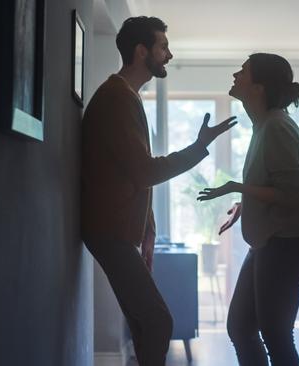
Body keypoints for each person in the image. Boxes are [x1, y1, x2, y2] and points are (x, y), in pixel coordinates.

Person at [81, 16, 237, 366]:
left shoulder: (125, 96)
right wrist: (199, 147)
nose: (169, 54)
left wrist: (147, 229)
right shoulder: (118, 98)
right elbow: (145, 171)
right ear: (141, 51)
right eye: (163, 46)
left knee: (144, 321)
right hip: (109, 231)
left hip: (116, 231)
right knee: (158, 321)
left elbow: (132, 171)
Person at [197, 53, 299, 366]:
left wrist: (239, 188)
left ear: (259, 87)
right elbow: (279, 188)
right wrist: (246, 202)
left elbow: (293, 196)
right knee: (241, 327)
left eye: (243, 71)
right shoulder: (264, 126)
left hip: (288, 244)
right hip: (272, 242)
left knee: (275, 334)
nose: (235, 75)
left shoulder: (276, 127)